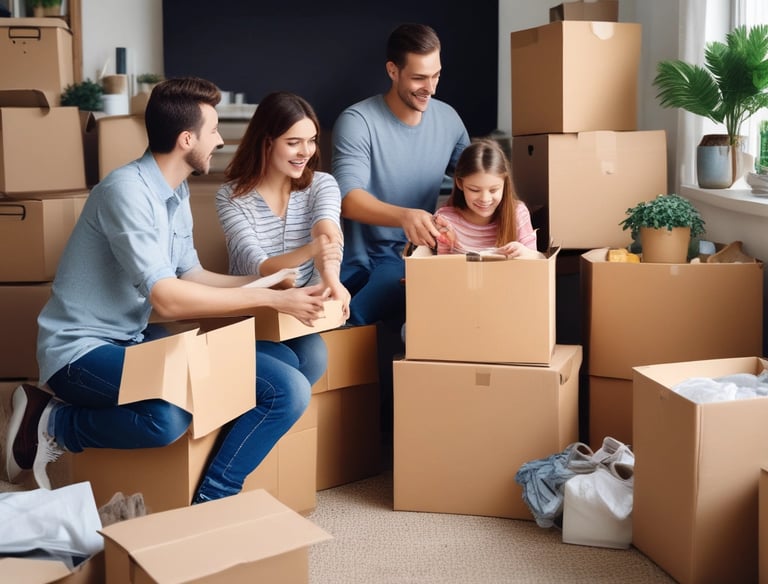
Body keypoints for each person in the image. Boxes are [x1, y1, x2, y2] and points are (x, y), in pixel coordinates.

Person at [6, 77, 330, 503]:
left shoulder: (174, 192)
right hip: (82, 353)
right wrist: (271, 298)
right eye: (213, 130)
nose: (218, 140)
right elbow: (169, 299)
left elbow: (191, 275)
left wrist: (268, 282)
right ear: (186, 139)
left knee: (298, 356)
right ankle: (56, 422)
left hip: (134, 340)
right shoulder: (126, 192)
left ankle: (210, 461)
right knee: (186, 414)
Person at [332, 22, 470, 329]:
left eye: (436, 75)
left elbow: (476, 180)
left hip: (414, 257)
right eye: (419, 78)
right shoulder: (357, 121)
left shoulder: (448, 119)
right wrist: (405, 217)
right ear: (393, 71)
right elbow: (346, 199)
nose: (431, 88)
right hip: (359, 259)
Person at [216, 91, 350, 379]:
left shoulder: (322, 185)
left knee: (312, 357)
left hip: (301, 313)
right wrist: (311, 250)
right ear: (266, 142)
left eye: (311, 140)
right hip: (254, 312)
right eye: (293, 143)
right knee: (285, 369)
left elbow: (327, 230)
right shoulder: (230, 198)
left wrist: (331, 278)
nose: (306, 151)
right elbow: (261, 267)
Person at [433, 139, 544, 258]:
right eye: (474, 190)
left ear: (504, 183)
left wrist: (525, 253)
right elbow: (441, 266)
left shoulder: (518, 213)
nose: (485, 199)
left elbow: (540, 261)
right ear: (460, 183)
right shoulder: (445, 219)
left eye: (493, 190)